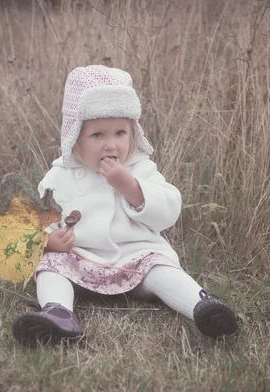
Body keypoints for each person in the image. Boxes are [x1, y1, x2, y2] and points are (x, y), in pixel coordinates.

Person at [12, 65, 238, 347]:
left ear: (133, 132)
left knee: (161, 268)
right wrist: (48, 241)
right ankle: (57, 313)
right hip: (82, 261)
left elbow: (169, 210)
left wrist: (131, 187)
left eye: (120, 133)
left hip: (136, 259)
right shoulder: (60, 175)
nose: (111, 145)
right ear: (74, 139)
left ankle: (202, 306)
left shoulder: (140, 168)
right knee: (50, 266)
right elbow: (40, 220)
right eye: (97, 136)